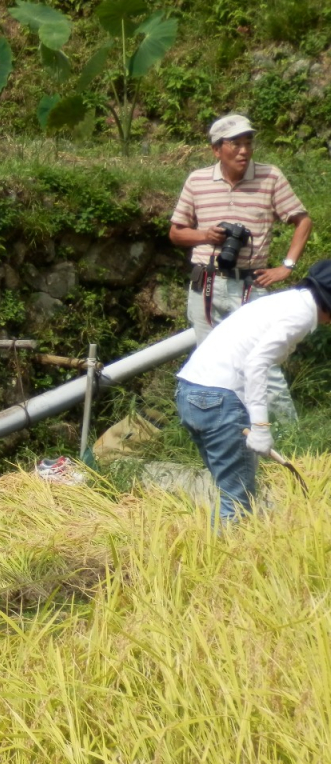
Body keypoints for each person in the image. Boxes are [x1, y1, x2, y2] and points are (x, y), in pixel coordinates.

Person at [169, 113, 313, 423]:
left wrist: (286, 267)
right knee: (211, 362)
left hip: (250, 284)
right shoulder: (197, 180)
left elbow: (303, 220)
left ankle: (291, 437)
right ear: (216, 149)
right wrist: (206, 235)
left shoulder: (269, 177)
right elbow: (176, 232)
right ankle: (228, 430)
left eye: (248, 143)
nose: (244, 151)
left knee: (263, 362)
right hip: (205, 284)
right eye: (235, 144)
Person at [175, 259, 331, 524]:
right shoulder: (301, 315)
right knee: (237, 503)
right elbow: (256, 363)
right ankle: (226, 564)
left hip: (190, 392)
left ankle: (210, 556)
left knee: (229, 492)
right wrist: (260, 425)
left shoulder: (285, 301)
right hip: (219, 400)